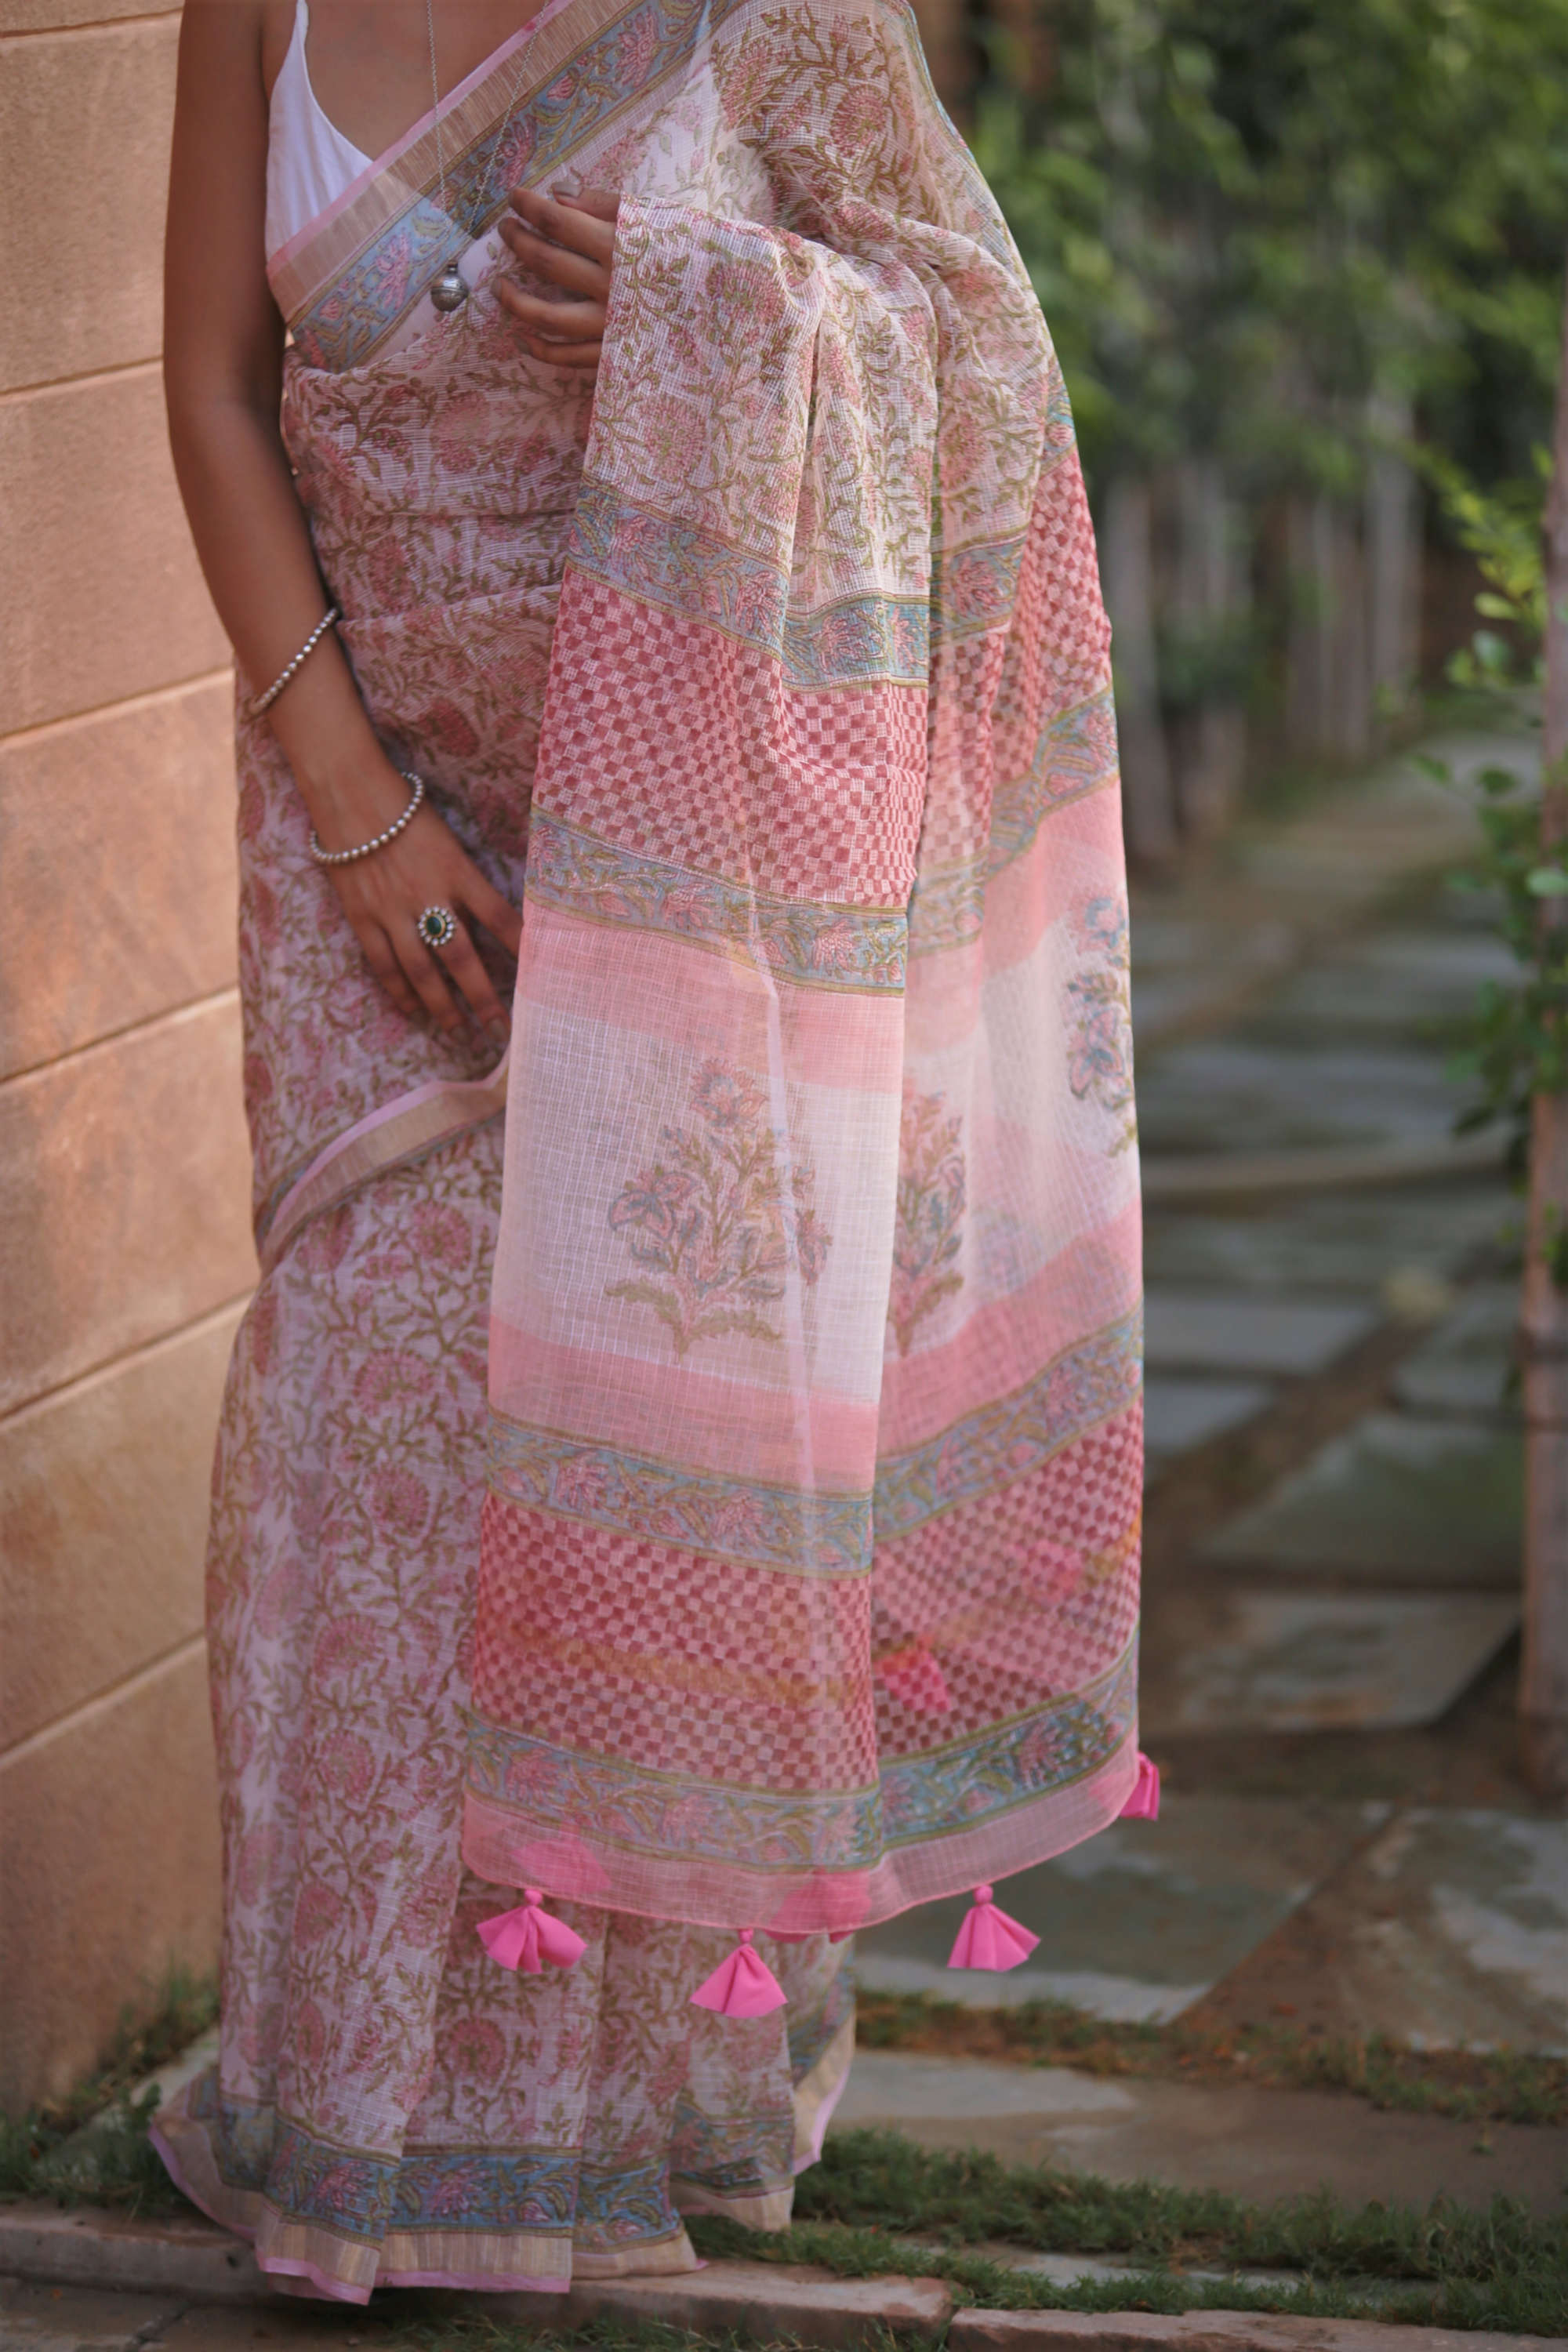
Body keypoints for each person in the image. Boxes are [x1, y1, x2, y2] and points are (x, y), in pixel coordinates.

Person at [154, 0, 1149, 2306]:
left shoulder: (773, 15)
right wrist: (354, 801)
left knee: (626, 1453)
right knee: (382, 1426)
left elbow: (980, 349)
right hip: (364, 849)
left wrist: (736, 311)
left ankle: (610, 2122)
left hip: (689, 874)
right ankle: (354, 2116)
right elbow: (208, 380)